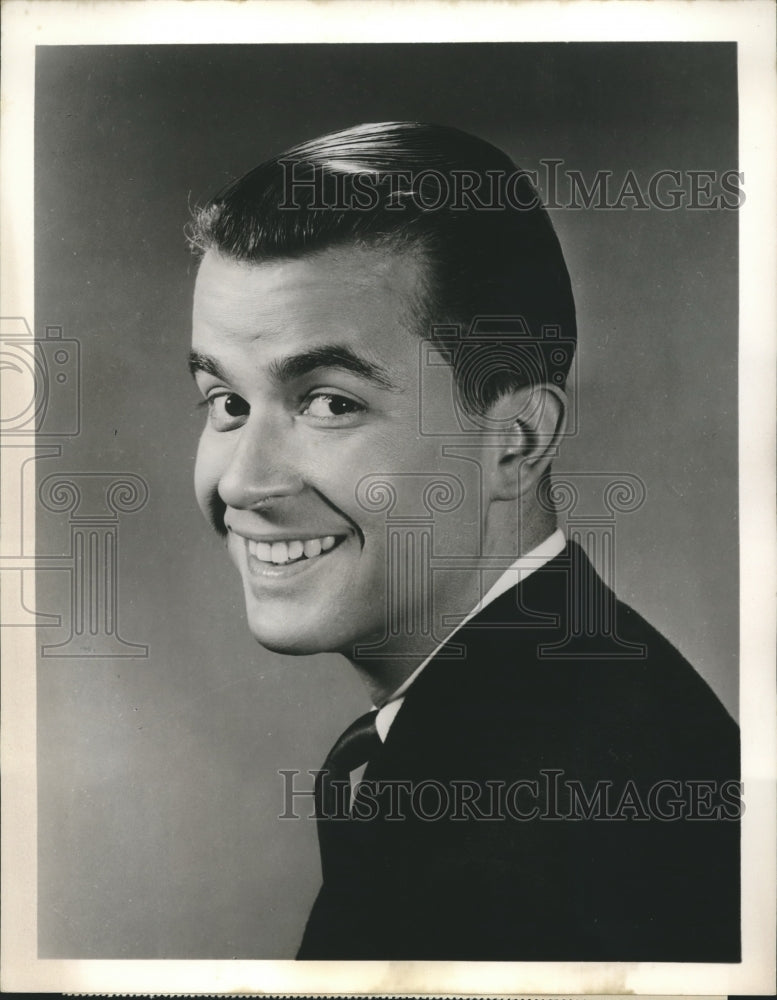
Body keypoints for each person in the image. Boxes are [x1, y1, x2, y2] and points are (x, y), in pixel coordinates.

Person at [187, 122, 740, 961]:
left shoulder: (543, 831)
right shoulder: (562, 707)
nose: (242, 482)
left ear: (515, 440)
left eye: (329, 402)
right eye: (226, 402)